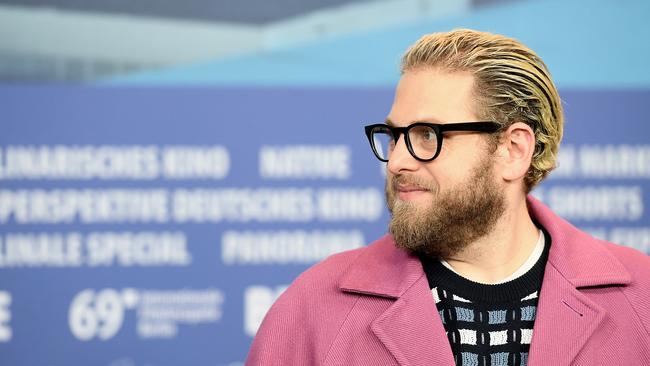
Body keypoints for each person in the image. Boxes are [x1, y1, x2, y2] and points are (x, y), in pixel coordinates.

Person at [245, 29, 650, 366]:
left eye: (428, 135)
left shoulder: (641, 299)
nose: (397, 161)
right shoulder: (313, 307)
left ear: (513, 150)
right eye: (394, 135)